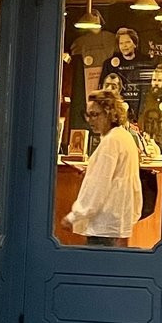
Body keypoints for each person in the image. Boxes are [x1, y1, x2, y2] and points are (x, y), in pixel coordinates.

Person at [62, 89, 142, 246]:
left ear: (109, 113)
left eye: (95, 114)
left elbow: (98, 185)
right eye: (88, 115)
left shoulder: (111, 141)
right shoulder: (124, 136)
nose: (90, 120)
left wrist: (74, 216)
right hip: (115, 221)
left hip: (103, 223)